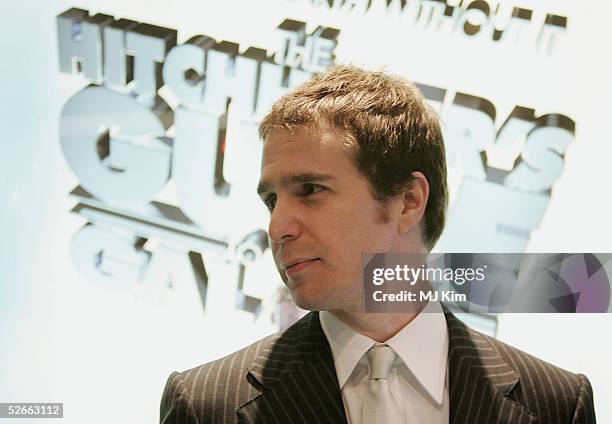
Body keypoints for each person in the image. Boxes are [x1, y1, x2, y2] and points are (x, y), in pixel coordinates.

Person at [160, 66, 596, 423]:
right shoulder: (204, 406)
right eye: (271, 200)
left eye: (310, 189)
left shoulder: (557, 403)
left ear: (408, 201)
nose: (277, 227)